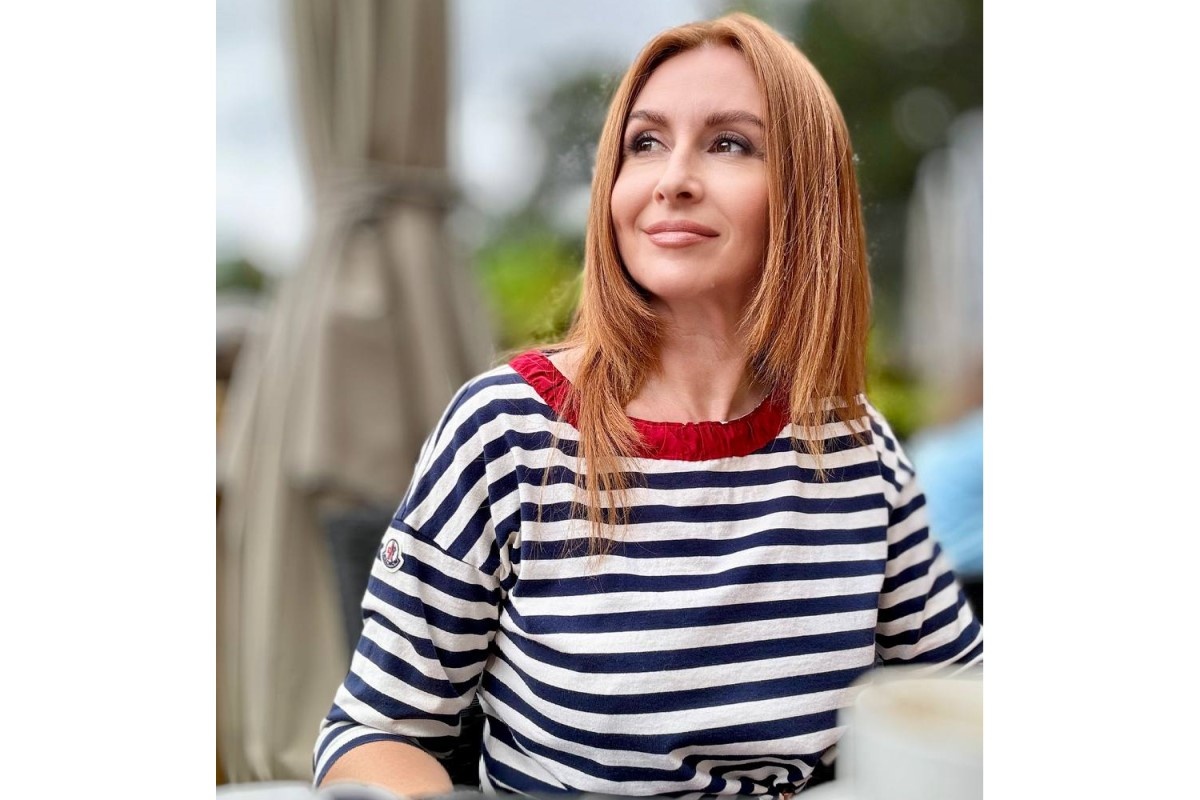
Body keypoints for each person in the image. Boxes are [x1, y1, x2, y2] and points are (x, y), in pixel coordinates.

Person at [314, 13, 982, 799]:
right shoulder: (505, 433)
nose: (673, 180)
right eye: (646, 143)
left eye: (728, 143)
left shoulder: (856, 450)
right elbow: (374, 733)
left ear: (809, 196)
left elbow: (964, 700)